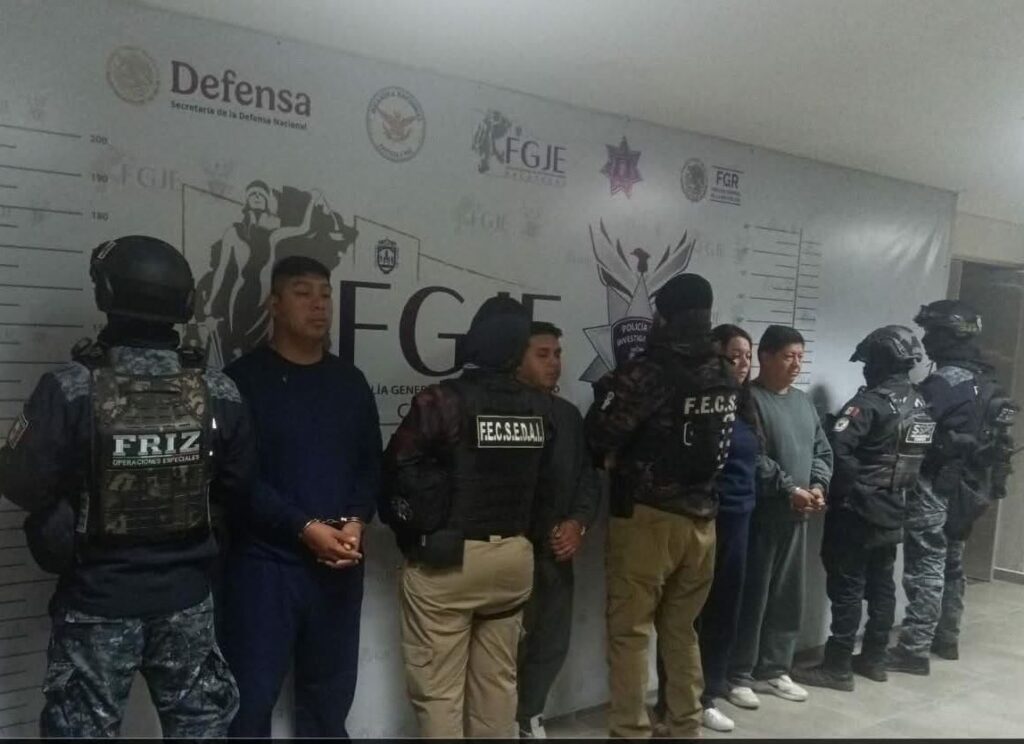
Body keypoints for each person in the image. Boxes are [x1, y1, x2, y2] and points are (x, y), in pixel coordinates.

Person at [0, 235, 253, 737]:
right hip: (187, 599)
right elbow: (239, 486)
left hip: (97, 601)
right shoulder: (218, 390)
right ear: (184, 302)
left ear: (108, 294)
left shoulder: (71, 387)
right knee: (201, 730)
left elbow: (22, 484)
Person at [217, 256, 382, 737]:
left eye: (325, 294)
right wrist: (303, 527)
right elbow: (236, 478)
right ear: (275, 304)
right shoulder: (241, 380)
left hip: (338, 564)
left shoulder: (349, 381)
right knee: (249, 703)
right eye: (303, 292)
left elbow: (370, 463)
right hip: (263, 566)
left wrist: (356, 521)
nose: (318, 305)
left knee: (328, 705)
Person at [379, 296, 557, 739]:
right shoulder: (539, 407)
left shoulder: (443, 401)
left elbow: (396, 470)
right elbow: (546, 484)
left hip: (449, 563)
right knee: (497, 686)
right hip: (513, 559)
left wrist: (416, 533)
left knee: (439, 694)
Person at [584, 273, 739, 739]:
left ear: (664, 316)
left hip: (649, 519)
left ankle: (630, 731)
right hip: (703, 522)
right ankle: (685, 724)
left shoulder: (648, 371)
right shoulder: (724, 371)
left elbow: (600, 436)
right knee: (681, 630)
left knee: (631, 631)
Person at [791, 326, 933, 691]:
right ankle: (874, 658)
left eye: (869, 362)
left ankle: (837, 666)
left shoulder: (868, 405)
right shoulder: (919, 404)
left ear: (882, 362)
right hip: (893, 508)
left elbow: (839, 451)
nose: (866, 369)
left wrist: (840, 492)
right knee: (881, 587)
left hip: (857, 512)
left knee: (847, 587)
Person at [887, 301, 1017, 675]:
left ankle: (914, 650)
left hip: (935, 484)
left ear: (949, 335)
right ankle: (946, 638)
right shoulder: (987, 379)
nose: (927, 340)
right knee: (952, 565)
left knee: (926, 566)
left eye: (932, 332)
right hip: (971, 488)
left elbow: (911, 429)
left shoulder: (944, 383)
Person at [652, 323, 759, 734]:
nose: (742, 363)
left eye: (747, 355)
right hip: (704, 517)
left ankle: (712, 690)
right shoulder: (702, 401)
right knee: (686, 617)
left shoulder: (745, 403)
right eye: (734, 355)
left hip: (741, 517)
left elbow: (757, 460)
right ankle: (678, 700)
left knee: (725, 610)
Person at [727, 324, 833, 708]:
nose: (796, 364)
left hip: (797, 518)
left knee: (787, 598)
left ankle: (774, 669)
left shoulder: (803, 403)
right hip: (761, 516)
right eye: (789, 356)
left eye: (801, 357)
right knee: (752, 597)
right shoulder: (749, 400)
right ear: (765, 357)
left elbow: (822, 450)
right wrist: (789, 489)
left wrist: (817, 486)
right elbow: (753, 457)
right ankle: (739, 673)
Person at [514, 322, 601, 739]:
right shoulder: (503, 410)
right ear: (517, 359)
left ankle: (529, 715)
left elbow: (587, 477)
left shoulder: (567, 416)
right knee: (504, 644)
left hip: (556, 550)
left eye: (558, 354)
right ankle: (497, 720)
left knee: (551, 640)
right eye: (542, 354)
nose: (554, 363)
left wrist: (577, 523)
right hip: (511, 549)